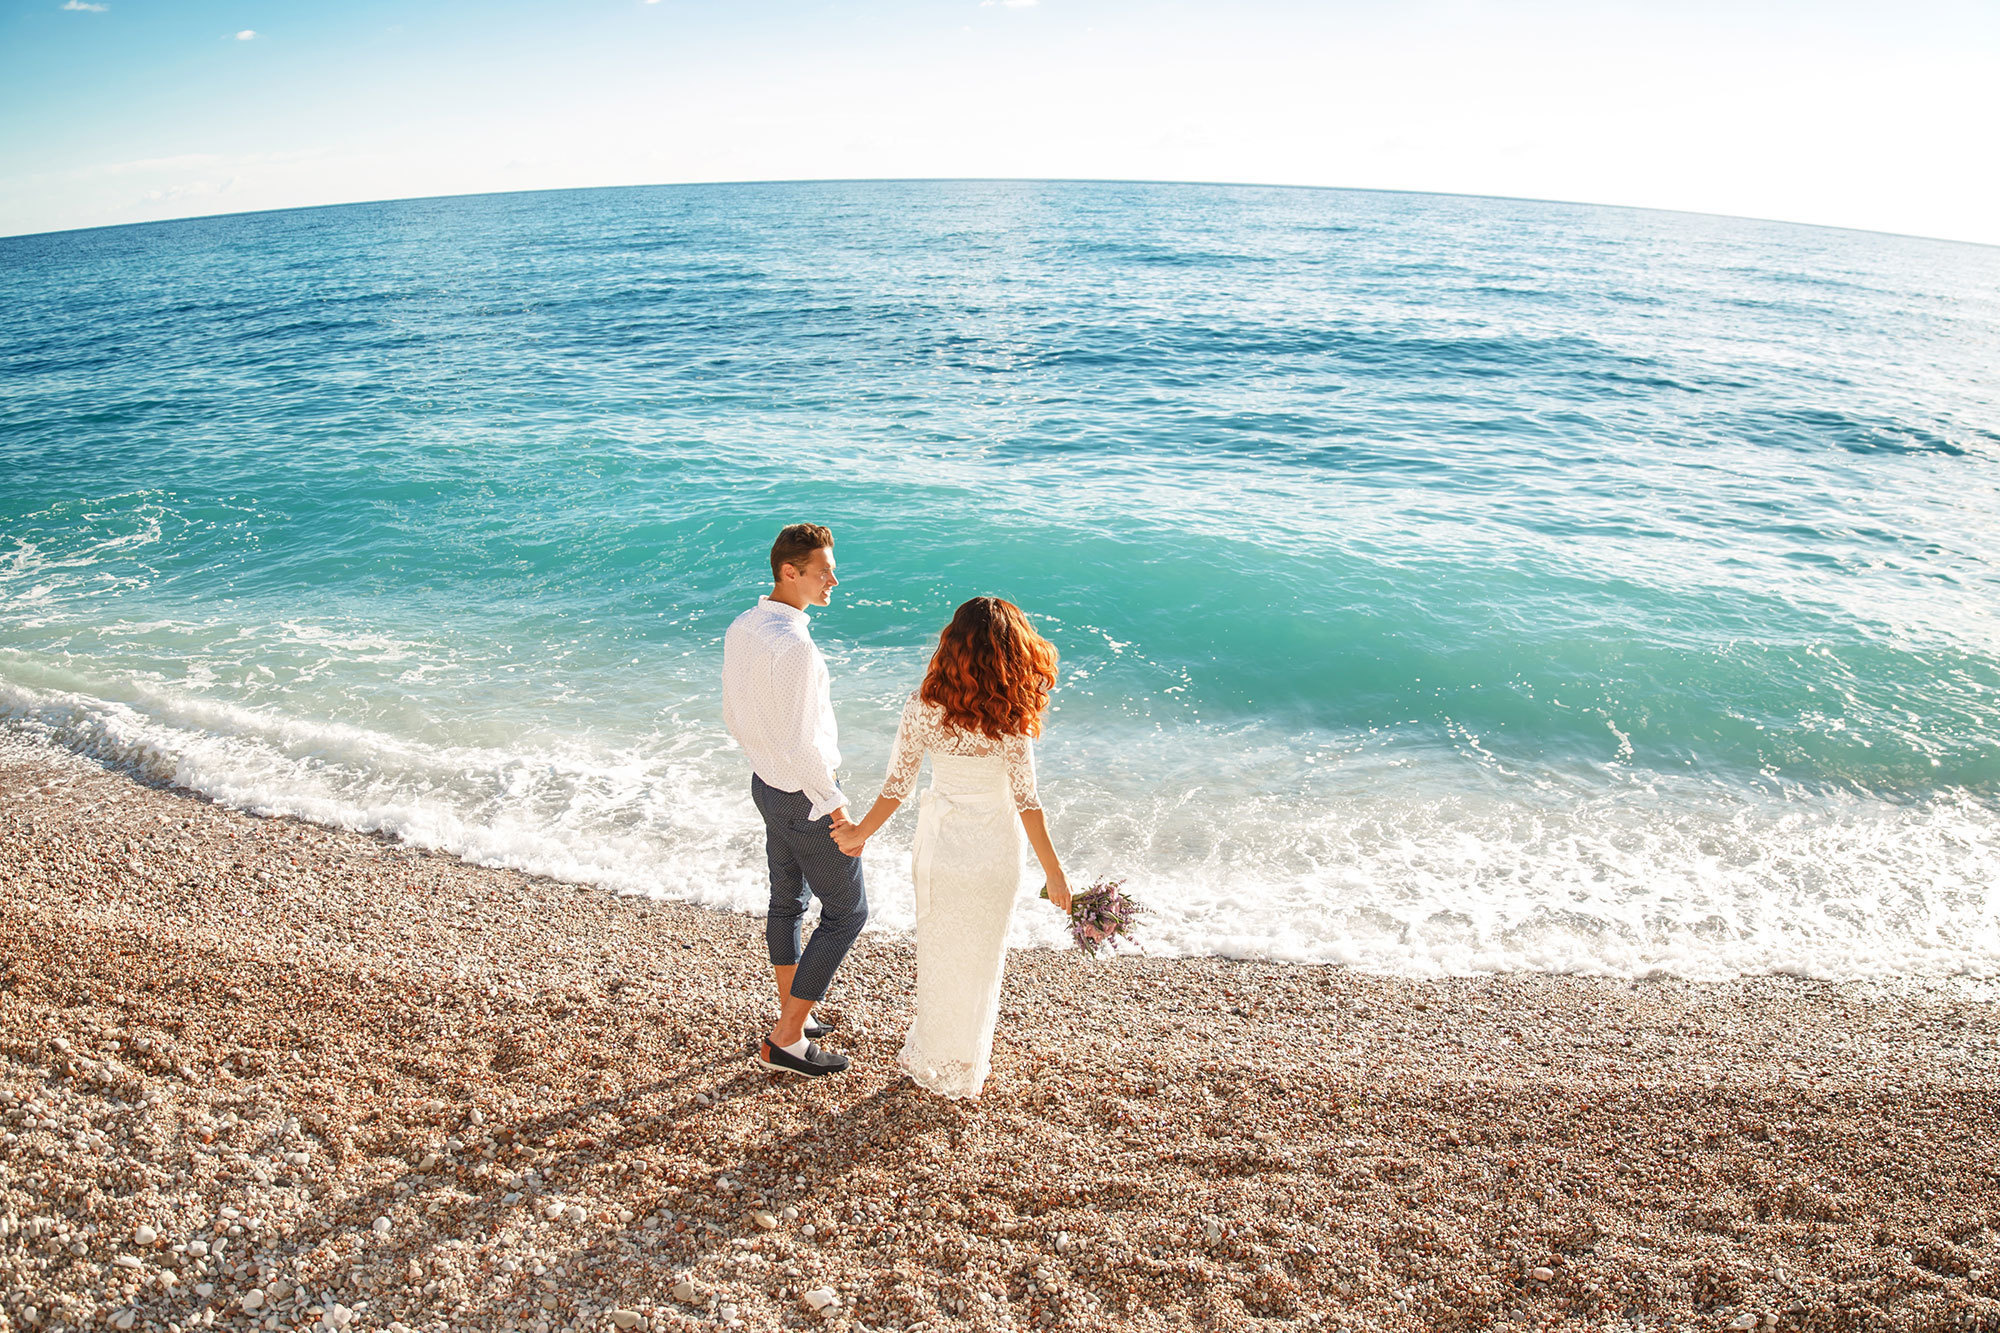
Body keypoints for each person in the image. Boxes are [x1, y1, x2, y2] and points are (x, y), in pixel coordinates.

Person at [834, 597, 1072, 1099]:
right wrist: (1055, 874)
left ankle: (937, 1050)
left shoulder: (923, 707)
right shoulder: (1011, 715)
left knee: (940, 951)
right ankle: (967, 1060)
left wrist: (858, 834)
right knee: (983, 955)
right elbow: (1029, 804)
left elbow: (896, 787)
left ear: (952, 644)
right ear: (1014, 651)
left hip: (942, 847)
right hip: (996, 851)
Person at [722, 523, 865, 1078]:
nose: (834, 578)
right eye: (823, 569)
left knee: (787, 902)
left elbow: (735, 714)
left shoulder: (743, 624)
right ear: (790, 572)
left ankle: (795, 1015)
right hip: (804, 798)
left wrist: (768, 762)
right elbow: (804, 743)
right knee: (849, 914)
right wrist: (837, 808)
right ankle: (787, 1041)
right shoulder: (797, 647)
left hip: (765, 784)